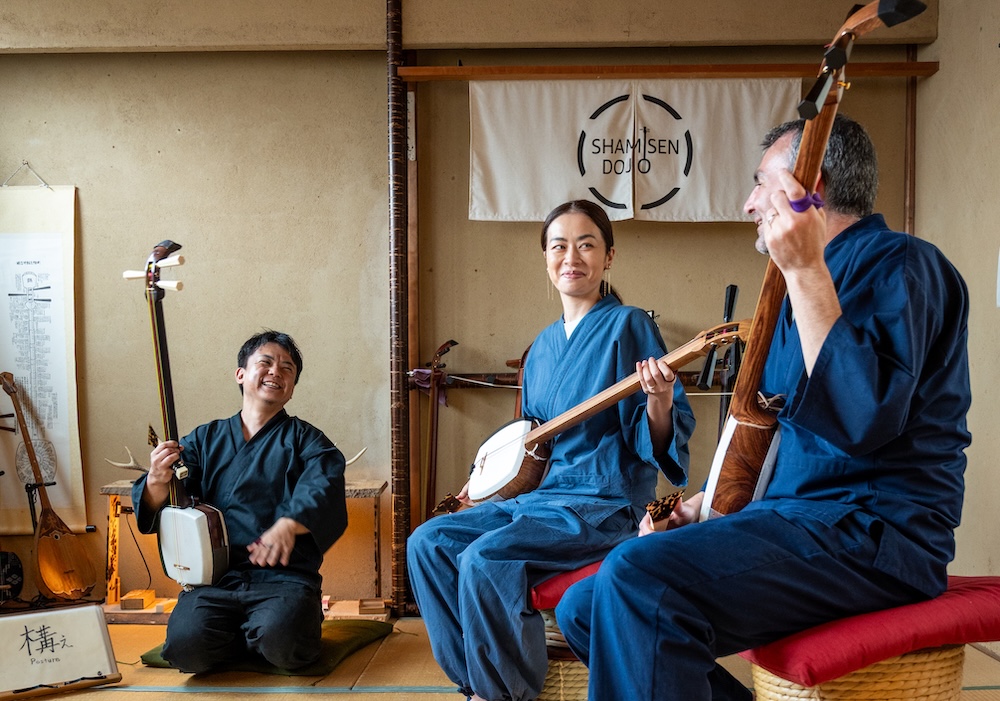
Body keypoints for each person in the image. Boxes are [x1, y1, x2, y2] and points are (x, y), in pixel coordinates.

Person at [554, 114, 972, 701]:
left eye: (761, 182)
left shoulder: (901, 263)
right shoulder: (793, 290)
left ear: (811, 187)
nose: (751, 203)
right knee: (584, 607)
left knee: (636, 577)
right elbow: (779, 435)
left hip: (875, 535)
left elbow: (863, 419)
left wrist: (804, 268)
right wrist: (701, 506)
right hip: (793, 518)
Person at [406, 199, 696, 701]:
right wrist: (488, 481)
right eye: (559, 245)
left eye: (587, 244)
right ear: (545, 258)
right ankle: (477, 687)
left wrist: (660, 398)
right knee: (427, 543)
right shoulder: (540, 348)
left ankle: (506, 695)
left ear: (609, 257)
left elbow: (653, 444)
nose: (572, 256)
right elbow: (529, 445)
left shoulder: (629, 326)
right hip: (539, 501)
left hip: (601, 504)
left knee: (484, 558)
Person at [132, 330, 348, 673]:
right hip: (215, 578)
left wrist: (289, 524)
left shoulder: (307, 440)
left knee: (285, 642)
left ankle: (262, 630)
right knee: (186, 648)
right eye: (266, 362)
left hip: (283, 579)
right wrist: (158, 479)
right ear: (241, 374)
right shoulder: (205, 439)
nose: (276, 372)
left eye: (287, 368)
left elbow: (323, 484)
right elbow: (174, 496)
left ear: (292, 386)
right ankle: (244, 632)